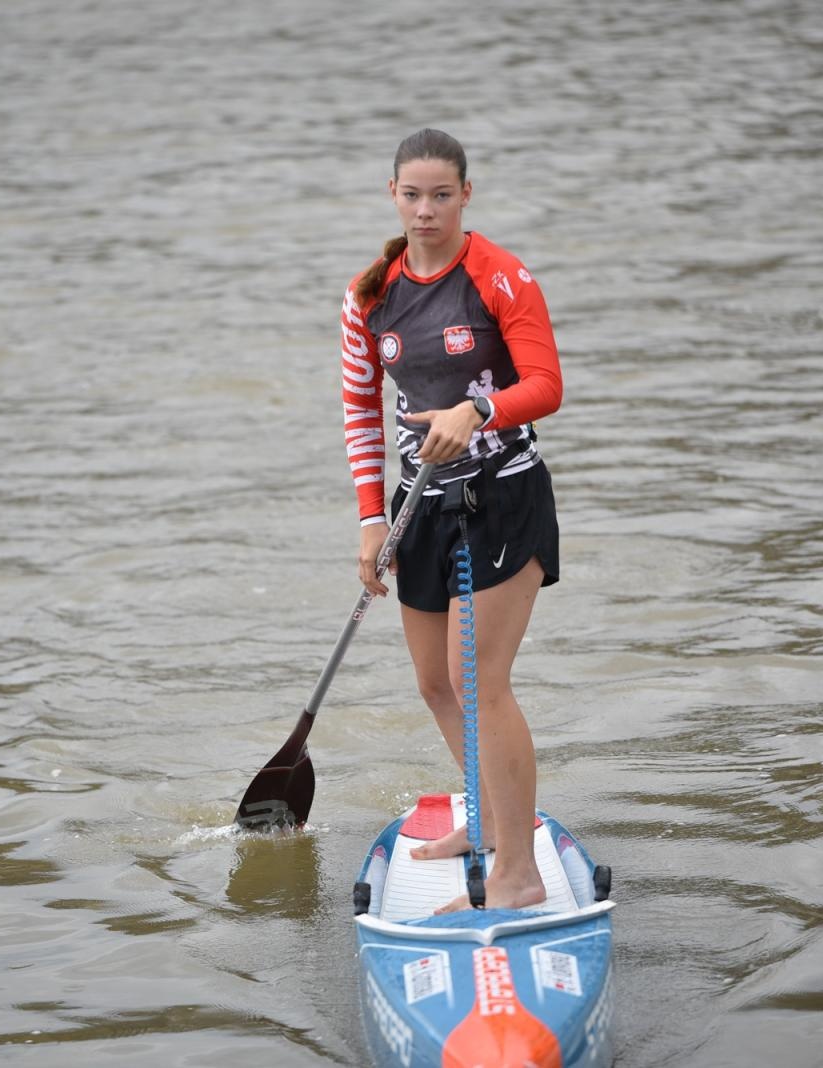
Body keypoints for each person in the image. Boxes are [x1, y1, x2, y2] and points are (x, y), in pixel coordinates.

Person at [339, 128, 564, 913]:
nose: (426, 210)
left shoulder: (500, 277)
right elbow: (360, 413)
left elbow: (546, 384)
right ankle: (492, 823)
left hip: (504, 495)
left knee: (479, 682)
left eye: (441, 195)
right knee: (435, 682)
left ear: (466, 194)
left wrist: (478, 410)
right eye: (412, 195)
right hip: (422, 504)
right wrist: (372, 520)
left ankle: (518, 877)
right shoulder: (368, 296)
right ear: (392, 196)